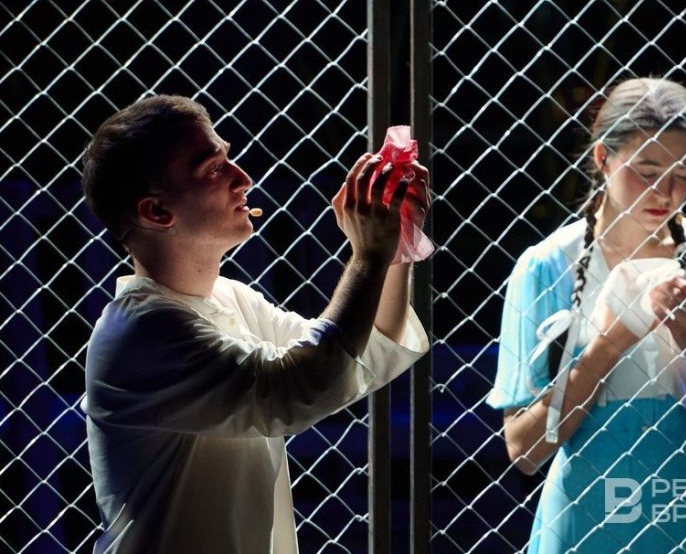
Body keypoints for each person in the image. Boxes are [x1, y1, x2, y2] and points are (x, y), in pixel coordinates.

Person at [80, 94, 430, 553]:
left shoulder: (228, 298)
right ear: (157, 212)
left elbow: (362, 349)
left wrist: (394, 248)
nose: (243, 178)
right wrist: (367, 256)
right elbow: (302, 387)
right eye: (213, 168)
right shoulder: (143, 332)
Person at [488, 77, 686, 553]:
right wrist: (611, 342)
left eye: (685, 172)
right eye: (646, 170)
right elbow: (524, 450)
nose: (666, 191)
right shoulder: (546, 266)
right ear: (602, 157)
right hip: (583, 518)